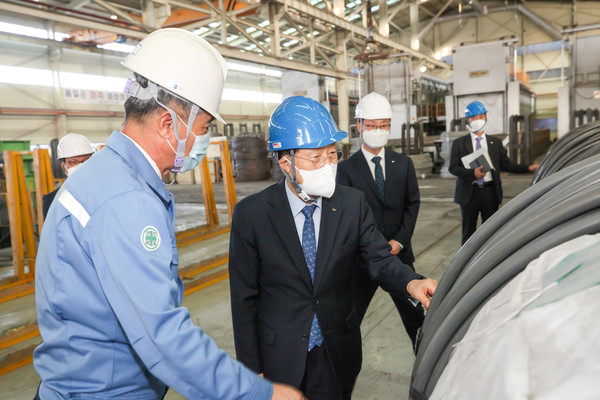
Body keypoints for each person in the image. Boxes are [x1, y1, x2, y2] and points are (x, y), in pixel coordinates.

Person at [34, 28, 303, 400]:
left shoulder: (106, 176)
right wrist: (262, 394)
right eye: (204, 128)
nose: (204, 141)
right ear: (167, 124)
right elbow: (162, 336)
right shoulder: (124, 199)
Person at [229, 96, 438, 400]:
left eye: (332, 155)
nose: (327, 165)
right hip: (279, 357)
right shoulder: (253, 214)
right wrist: (251, 367)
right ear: (285, 162)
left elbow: (379, 258)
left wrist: (412, 283)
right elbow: (244, 298)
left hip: (336, 350)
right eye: (316, 158)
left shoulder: (352, 204)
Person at [337, 92, 424, 349]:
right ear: (359, 126)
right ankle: (342, 375)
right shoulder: (346, 170)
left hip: (398, 256)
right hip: (362, 262)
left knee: (416, 319)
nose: (378, 130)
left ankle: (426, 364)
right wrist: (373, 247)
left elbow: (412, 204)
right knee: (348, 322)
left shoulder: (403, 164)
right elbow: (347, 216)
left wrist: (399, 240)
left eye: (383, 125)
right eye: (372, 126)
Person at [449, 101, 538, 245]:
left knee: (490, 232)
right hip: (469, 194)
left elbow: (507, 165)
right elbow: (453, 168)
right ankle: (466, 264)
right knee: (468, 232)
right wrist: (473, 174)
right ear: (468, 121)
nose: (478, 120)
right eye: (474, 117)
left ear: (485, 118)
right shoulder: (459, 143)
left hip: (490, 193)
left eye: (481, 116)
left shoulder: (495, 143)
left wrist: (528, 168)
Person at [42, 132, 95, 219]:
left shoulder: (106, 193)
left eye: (86, 160)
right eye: (73, 162)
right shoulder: (52, 200)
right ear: (64, 166)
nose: (81, 166)